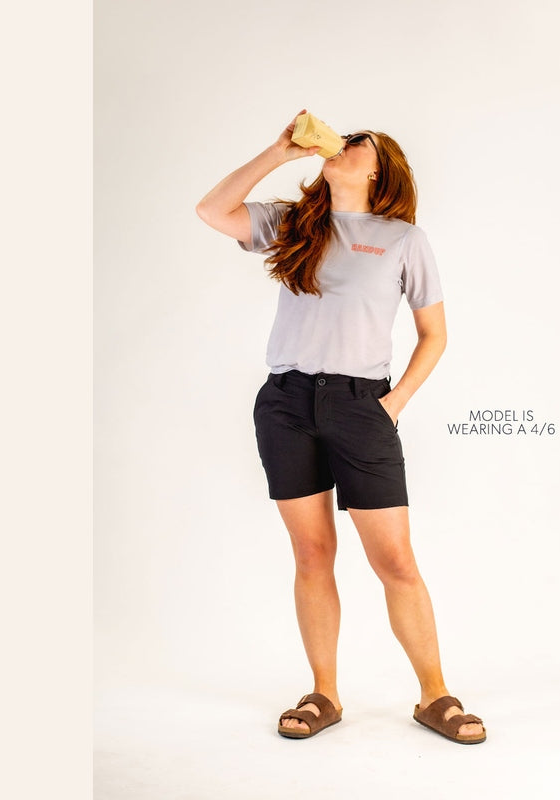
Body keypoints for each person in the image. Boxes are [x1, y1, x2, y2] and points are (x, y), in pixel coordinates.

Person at [195, 110, 486, 744]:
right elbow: (212, 211)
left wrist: (394, 404)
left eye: (359, 143)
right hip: (287, 403)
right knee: (312, 554)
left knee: (395, 560)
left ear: (379, 170)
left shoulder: (403, 239)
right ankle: (324, 693)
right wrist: (278, 153)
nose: (343, 143)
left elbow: (435, 335)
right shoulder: (294, 223)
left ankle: (435, 695)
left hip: (362, 406)